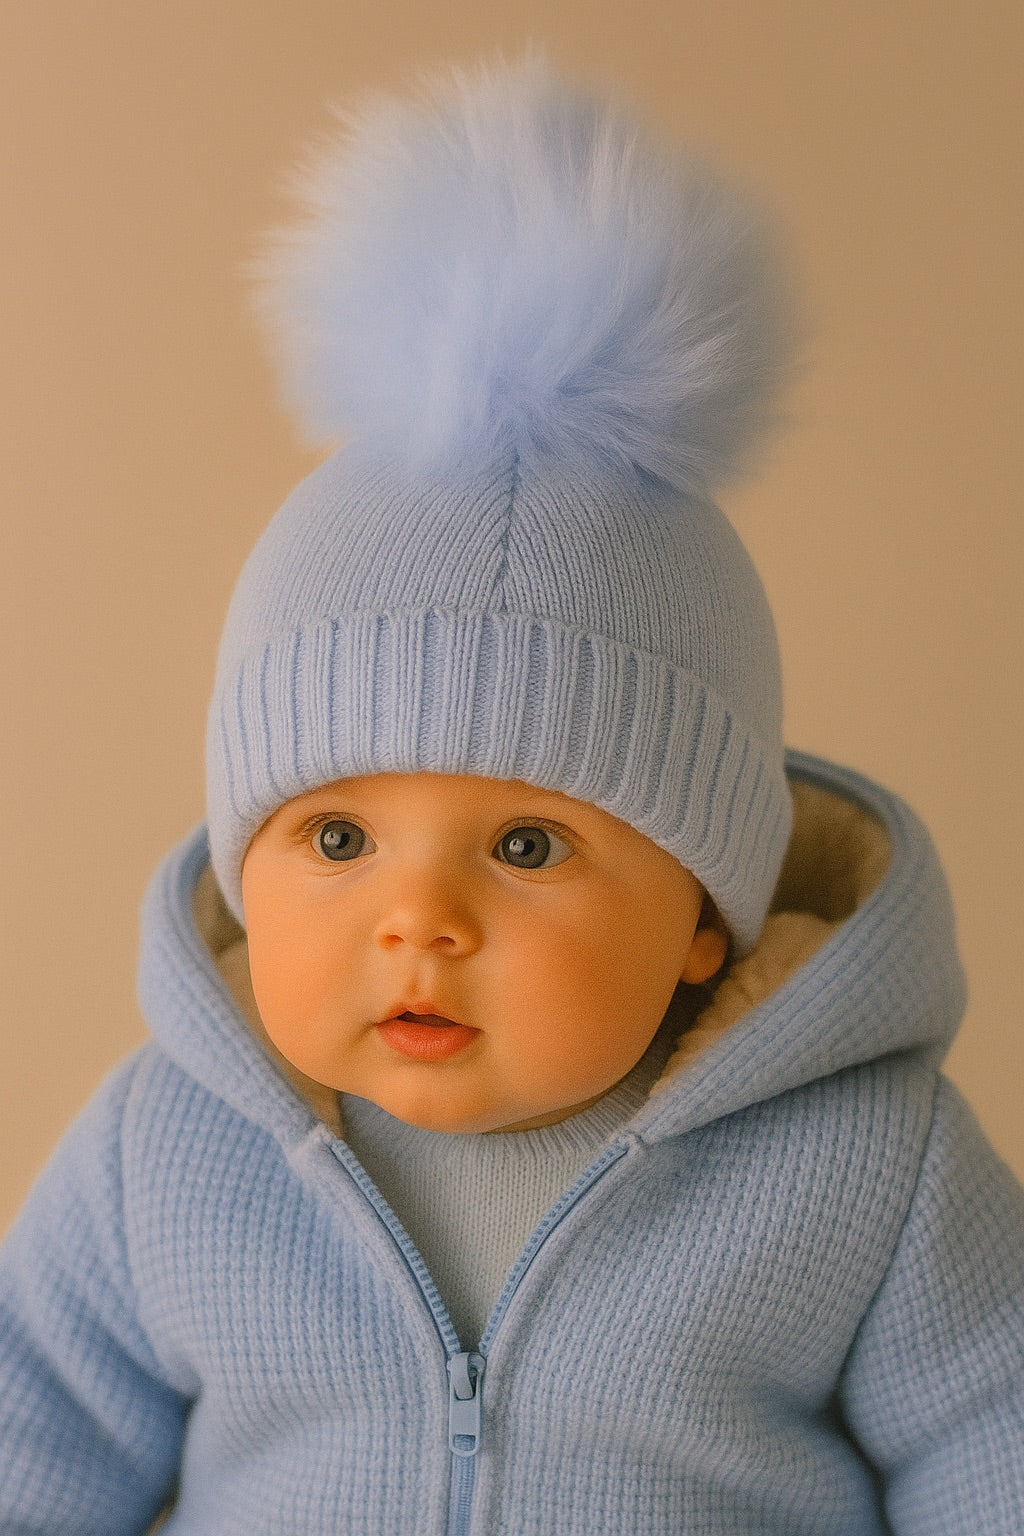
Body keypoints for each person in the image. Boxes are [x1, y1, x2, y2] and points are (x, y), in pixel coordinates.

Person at [1, 55, 1021, 1536]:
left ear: (699, 916)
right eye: (337, 837)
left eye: (531, 845)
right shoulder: (168, 1151)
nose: (418, 921)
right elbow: (32, 1431)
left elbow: (995, 1437)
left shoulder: (865, 1165)